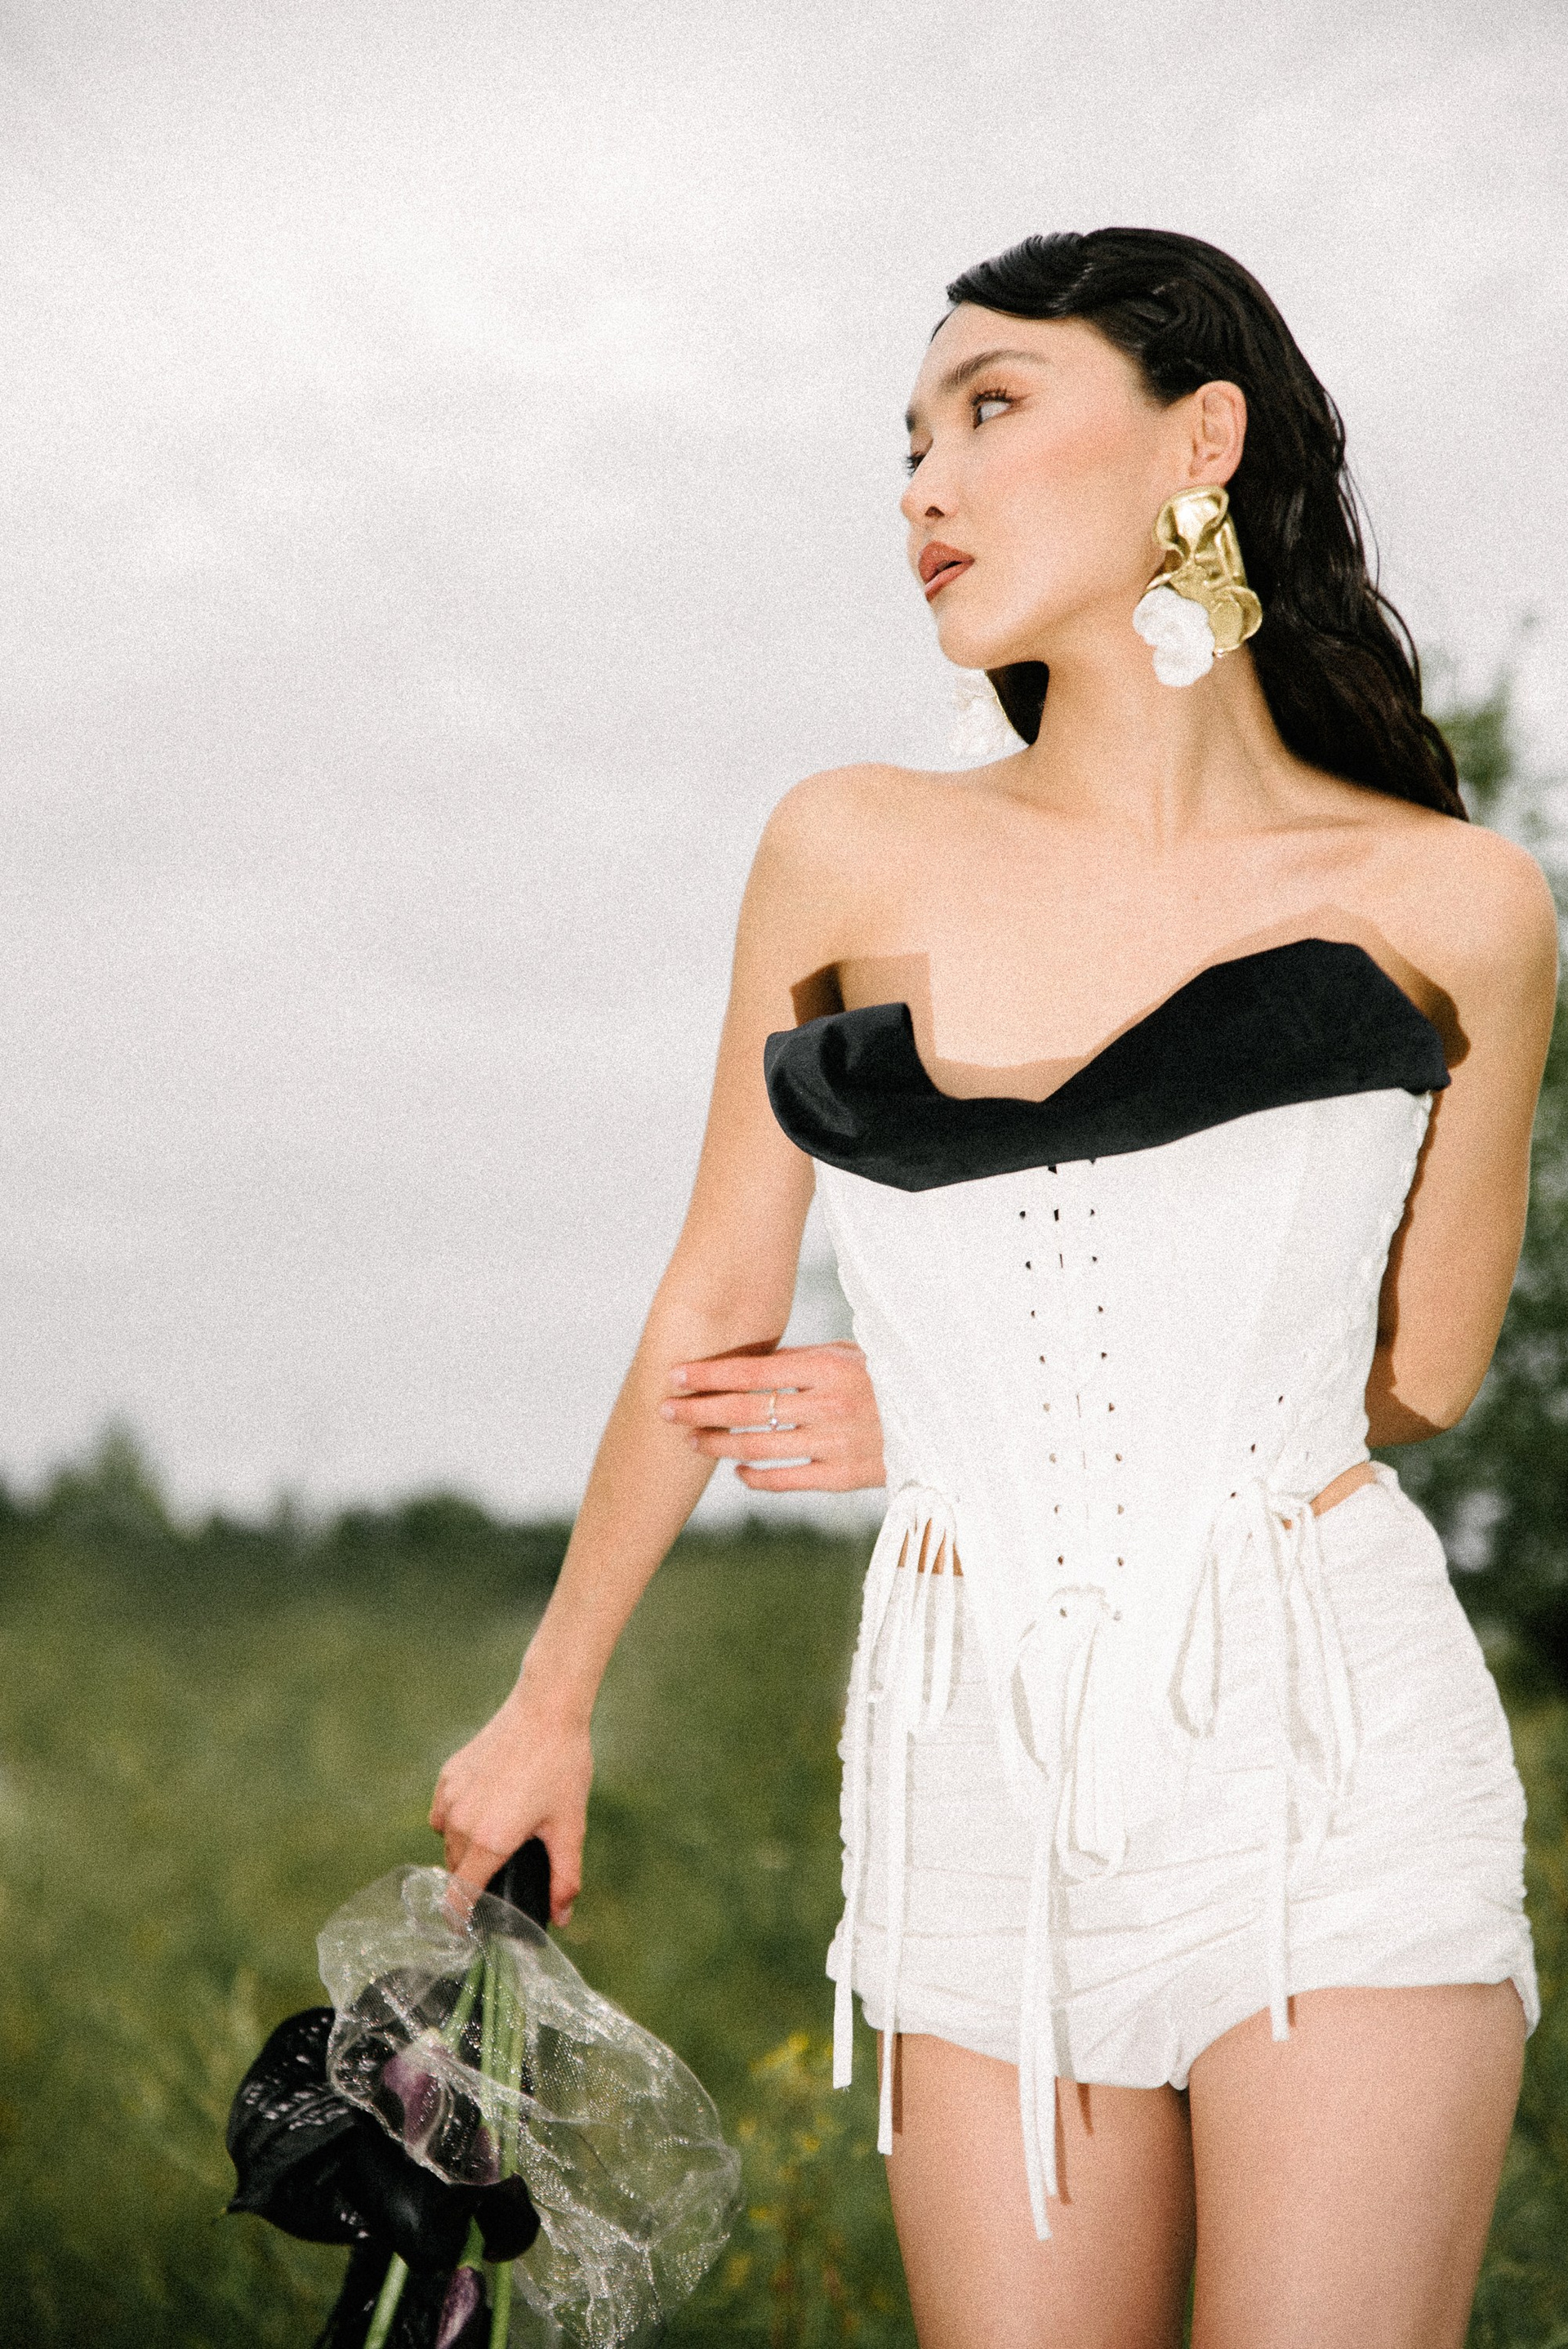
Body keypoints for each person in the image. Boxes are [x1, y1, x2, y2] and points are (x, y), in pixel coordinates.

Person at [429, 229, 1557, 2348]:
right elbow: (713, 1295)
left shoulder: (1457, 904)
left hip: (1330, 1769)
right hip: (973, 1802)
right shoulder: (845, 845)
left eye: (991, 408)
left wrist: (977, 1399)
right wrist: (548, 1699)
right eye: (910, 444)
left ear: (1198, 442)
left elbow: (1421, 1370)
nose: (924, 486)